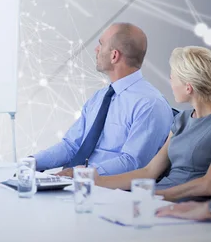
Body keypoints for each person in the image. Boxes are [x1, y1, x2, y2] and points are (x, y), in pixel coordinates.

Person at [33, 23, 173, 176]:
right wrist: (31, 162)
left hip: (110, 191)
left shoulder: (150, 104)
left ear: (114, 55)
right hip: (79, 184)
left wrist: (79, 175)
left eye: (101, 44)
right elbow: (71, 146)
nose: (96, 49)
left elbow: (133, 163)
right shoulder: (99, 97)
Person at [90, 46, 211, 202]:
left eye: (172, 77)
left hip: (182, 202)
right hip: (157, 196)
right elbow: (149, 171)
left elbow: (207, 185)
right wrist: (98, 181)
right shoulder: (182, 119)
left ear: (188, 87)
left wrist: (156, 195)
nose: (170, 81)